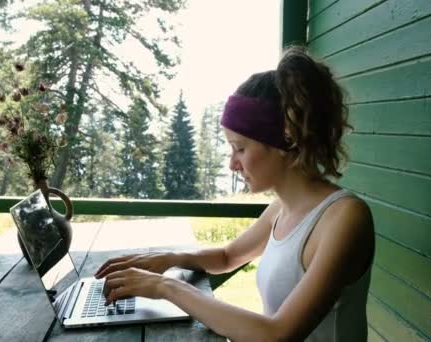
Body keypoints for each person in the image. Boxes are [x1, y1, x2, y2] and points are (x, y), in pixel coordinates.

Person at [95, 46, 375, 341]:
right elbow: (228, 256)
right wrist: (170, 258)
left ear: (286, 140)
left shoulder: (345, 218)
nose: (232, 164)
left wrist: (165, 287)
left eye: (240, 148)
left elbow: (277, 335)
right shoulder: (281, 208)